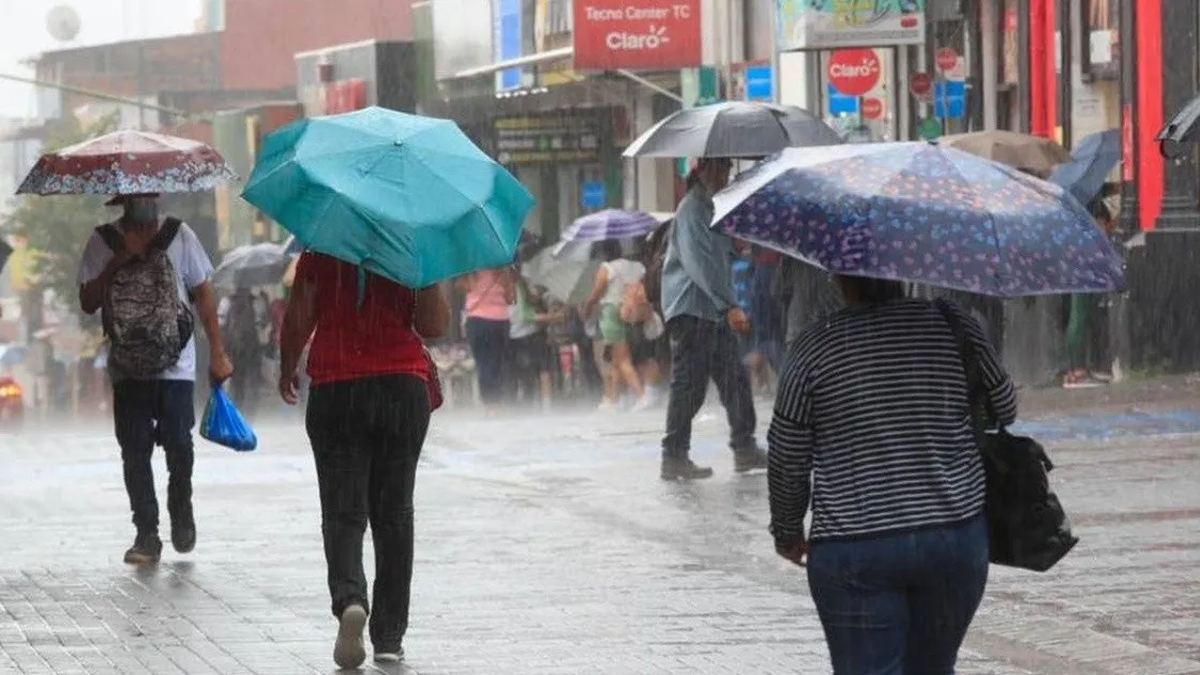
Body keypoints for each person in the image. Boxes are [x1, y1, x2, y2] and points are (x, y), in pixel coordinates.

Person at [769, 274, 1017, 674]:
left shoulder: (813, 345)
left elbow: (787, 453)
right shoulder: (954, 325)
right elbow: (1004, 408)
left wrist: (787, 529)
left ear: (840, 278)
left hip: (854, 547)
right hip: (952, 537)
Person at [279, 251, 449, 669]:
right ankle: (389, 636)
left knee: (342, 513)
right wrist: (424, 273)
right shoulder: (409, 246)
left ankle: (350, 598)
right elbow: (434, 325)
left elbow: (299, 317)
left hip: (338, 388)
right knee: (395, 515)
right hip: (401, 385)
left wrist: (286, 368)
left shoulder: (321, 249)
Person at [77, 194, 232, 565]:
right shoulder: (102, 241)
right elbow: (87, 301)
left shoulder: (180, 235)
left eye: (147, 195)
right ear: (122, 201)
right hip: (127, 363)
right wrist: (120, 258)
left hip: (176, 364)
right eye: (135, 197)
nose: (142, 202)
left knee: (179, 442)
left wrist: (218, 351)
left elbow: (203, 293)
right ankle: (146, 533)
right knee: (135, 448)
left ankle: (181, 508)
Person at [659, 158, 768, 480]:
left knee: (734, 379)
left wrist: (740, 243)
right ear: (702, 171)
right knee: (689, 386)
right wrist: (727, 305)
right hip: (693, 309)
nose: (724, 176)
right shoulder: (692, 209)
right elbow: (701, 264)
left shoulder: (713, 209)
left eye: (726, 170)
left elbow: (723, 258)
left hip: (712, 311)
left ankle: (744, 447)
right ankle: (674, 454)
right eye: (718, 170)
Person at [583, 240, 649, 411]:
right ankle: (614, 399)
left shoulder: (607, 268)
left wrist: (587, 308)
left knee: (622, 359)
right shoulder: (637, 267)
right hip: (633, 312)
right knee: (616, 359)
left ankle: (641, 396)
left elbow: (596, 294)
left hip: (612, 312)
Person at [457, 267, 514, 416]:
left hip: (477, 320)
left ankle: (489, 404)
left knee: (483, 362)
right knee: (497, 361)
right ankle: (497, 402)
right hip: (500, 320)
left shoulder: (471, 268)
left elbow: (462, 286)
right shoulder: (502, 270)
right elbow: (510, 298)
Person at [222, 288, 264, 420]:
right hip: (251, 349)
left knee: (237, 383)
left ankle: (237, 414)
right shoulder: (256, 302)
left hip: (235, 349)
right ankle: (249, 416)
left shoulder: (227, 302)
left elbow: (222, 326)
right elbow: (260, 325)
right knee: (252, 383)